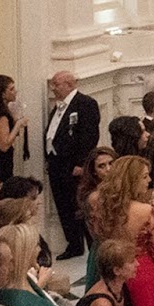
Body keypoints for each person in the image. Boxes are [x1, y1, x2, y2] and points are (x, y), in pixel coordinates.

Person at [89, 156, 154, 306]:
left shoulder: (101, 206)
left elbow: (97, 237)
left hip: (110, 271)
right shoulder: (145, 210)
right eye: (145, 177)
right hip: (141, 271)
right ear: (132, 180)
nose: (149, 181)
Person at [43, 71, 99, 260]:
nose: (53, 88)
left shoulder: (85, 104)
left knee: (78, 205)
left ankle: (92, 244)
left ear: (69, 84)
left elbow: (89, 136)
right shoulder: (58, 107)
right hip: (57, 163)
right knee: (63, 204)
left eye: (56, 84)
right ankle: (73, 243)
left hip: (74, 166)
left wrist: (81, 163)